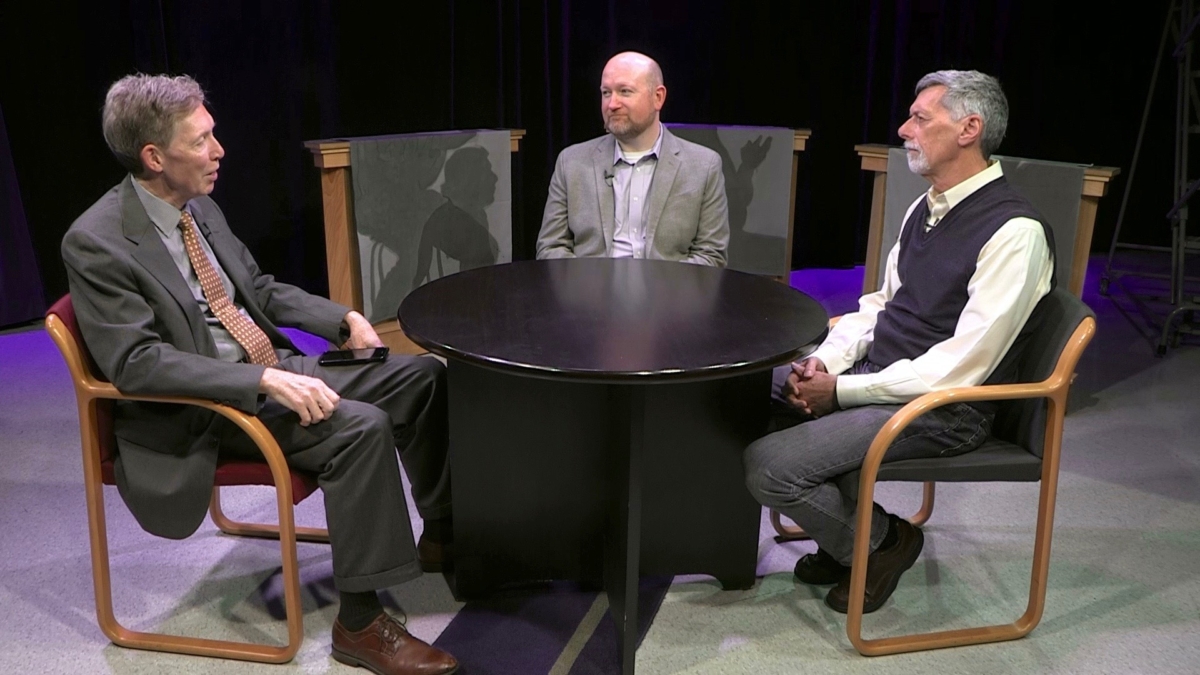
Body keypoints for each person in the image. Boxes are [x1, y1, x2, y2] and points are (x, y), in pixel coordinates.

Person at [61, 74, 458, 675]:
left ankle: (444, 534)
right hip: (203, 410)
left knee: (422, 376)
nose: (219, 150)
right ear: (154, 157)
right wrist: (263, 383)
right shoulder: (96, 241)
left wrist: (343, 317)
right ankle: (360, 625)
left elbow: (259, 291)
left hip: (268, 369)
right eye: (201, 141)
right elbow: (136, 363)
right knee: (360, 428)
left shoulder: (199, 207)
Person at [744, 70, 1056, 614]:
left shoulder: (1015, 232)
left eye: (920, 117)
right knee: (739, 391)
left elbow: (961, 369)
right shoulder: (926, 207)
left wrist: (839, 393)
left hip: (946, 409)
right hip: (883, 375)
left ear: (969, 129)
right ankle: (843, 538)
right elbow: (881, 307)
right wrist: (823, 364)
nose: (904, 127)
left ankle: (880, 543)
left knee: (770, 466)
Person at [535, 51, 729, 266]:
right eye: (606, 93)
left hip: (670, 295)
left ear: (658, 97)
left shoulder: (704, 166)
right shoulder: (571, 162)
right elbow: (550, 248)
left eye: (625, 91)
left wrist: (661, 293)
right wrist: (591, 288)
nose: (612, 104)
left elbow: (711, 255)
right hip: (589, 294)